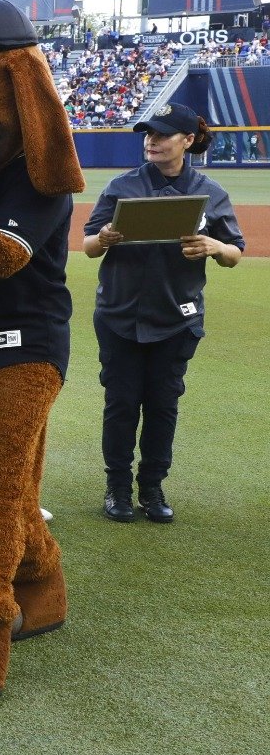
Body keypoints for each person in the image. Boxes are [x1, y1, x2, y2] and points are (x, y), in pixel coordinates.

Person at [83, 102, 243, 523]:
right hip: (120, 313)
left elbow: (234, 253)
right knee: (121, 404)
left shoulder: (210, 193)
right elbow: (87, 246)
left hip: (177, 317)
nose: (151, 141)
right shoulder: (122, 185)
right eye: (148, 134)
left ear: (188, 141)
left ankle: (151, 487)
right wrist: (104, 237)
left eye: (163, 134)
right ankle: (117, 487)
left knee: (162, 405)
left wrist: (214, 247)